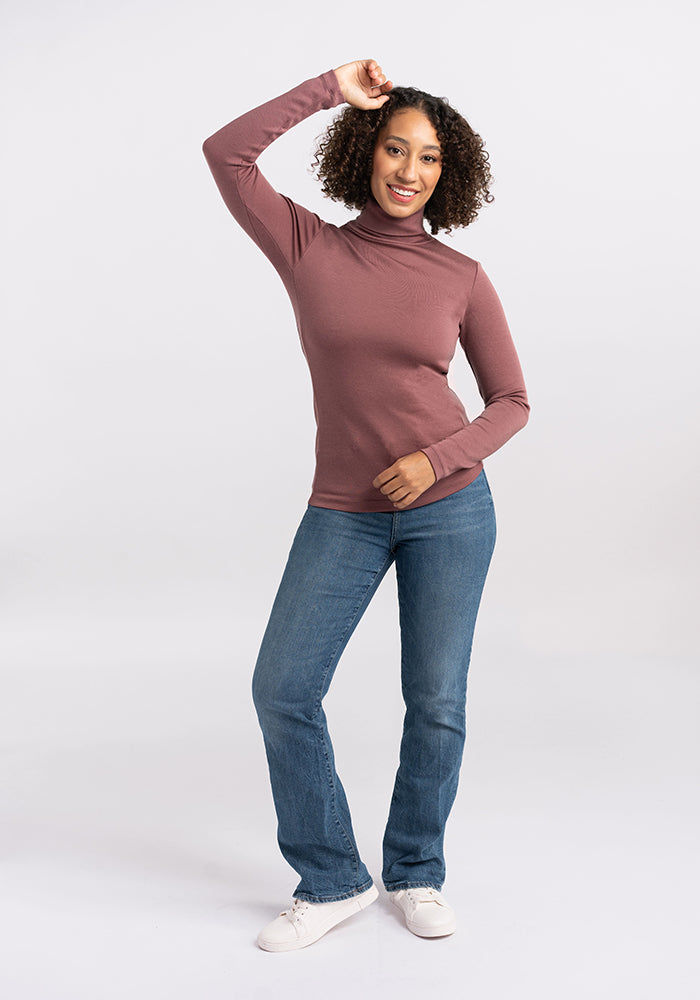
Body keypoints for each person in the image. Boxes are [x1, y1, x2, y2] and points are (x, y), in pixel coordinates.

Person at [202, 57, 530, 952]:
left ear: (446, 173)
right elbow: (225, 155)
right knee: (284, 689)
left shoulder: (460, 275)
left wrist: (436, 462)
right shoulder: (310, 246)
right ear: (366, 151)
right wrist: (328, 88)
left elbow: (512, 403)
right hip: (342, 510)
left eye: (427, 158)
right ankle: (334, 877)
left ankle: (416, 869)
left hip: (452, 509)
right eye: (394, 147)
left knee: (436, 702)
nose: (408, 170)